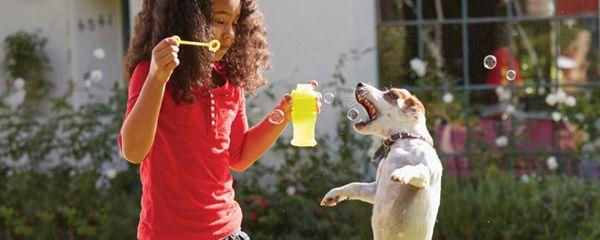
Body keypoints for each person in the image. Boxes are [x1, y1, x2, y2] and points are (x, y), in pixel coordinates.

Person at [118, 0, 321, 239]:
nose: (230, 34)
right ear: (188, 20)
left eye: (235, 22)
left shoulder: (230, 82)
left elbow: (239, 156)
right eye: (219, 21)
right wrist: (157, 78)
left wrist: (283, 115)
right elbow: (133, 151)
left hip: (227, 232)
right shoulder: (151, 73)